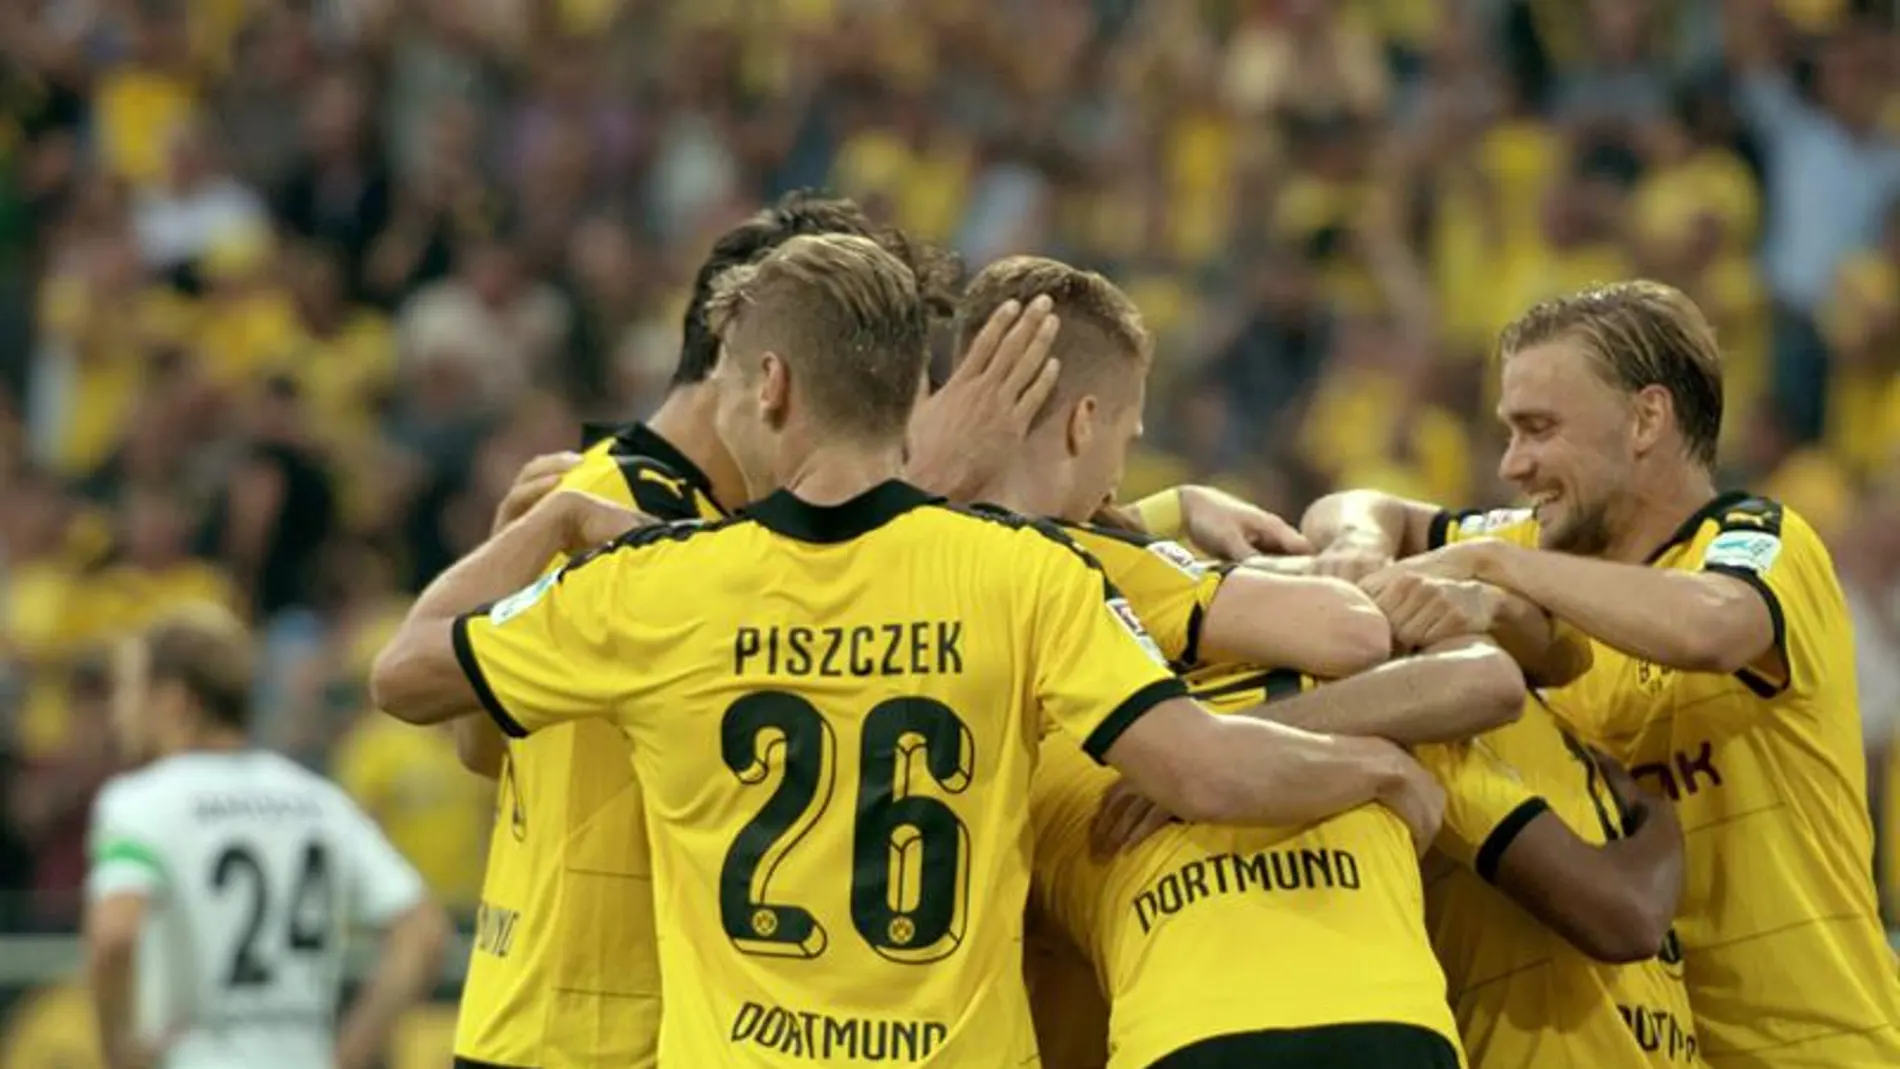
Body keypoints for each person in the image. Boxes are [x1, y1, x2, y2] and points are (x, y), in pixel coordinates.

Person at [372, 233, 1445, 1066]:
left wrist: (557, 518)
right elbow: (1205, 768)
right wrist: (1373, 766)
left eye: (735, 384)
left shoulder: (656, 586)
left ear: (772, 384)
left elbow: (407, 672)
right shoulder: (1027, 572)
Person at [443, 190, 1057, 1069]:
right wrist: (933, 486)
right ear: (782, 364)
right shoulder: (642, 524)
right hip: (595, 1034)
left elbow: (483, 743)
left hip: (561, 1017)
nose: (890, 415)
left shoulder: (617, 495)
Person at [1302, 280, 1900, 1068]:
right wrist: (1356, 545)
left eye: (1539, 428)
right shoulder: (1541, 544)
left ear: (1646, 419)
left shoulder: (1762, 538)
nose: (1513, 463)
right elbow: (1358, 504)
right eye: (1508, 431)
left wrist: (1492, 565)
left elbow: (1714, 626)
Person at [83, 606, 449, 1069]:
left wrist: (119, 1050)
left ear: (174, 699)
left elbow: (115, 936)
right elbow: (423, 933)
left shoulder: (141, 802)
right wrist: (350, 1054)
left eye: (130, 690)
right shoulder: (318, 800)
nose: (120, 712)